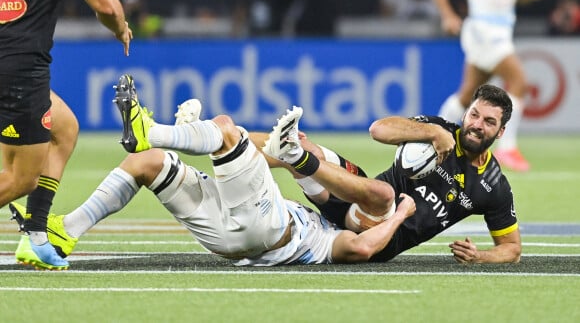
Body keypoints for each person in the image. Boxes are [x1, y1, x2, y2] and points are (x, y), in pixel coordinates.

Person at [11, 74, 416, 267]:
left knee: (224, 128)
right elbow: (272, 156)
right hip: (229, 238)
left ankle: (151, 130)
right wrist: (291, 153)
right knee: (145, 164)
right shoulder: (326, 233)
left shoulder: (338, 240)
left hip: (266, 230)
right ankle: (66, 232)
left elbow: (366, 246)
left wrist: (401, 214)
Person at [262, 83, 522, 263]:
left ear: (501, 132)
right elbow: (379, 129)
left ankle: (299, 162)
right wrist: (431, 132)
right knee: (300, 146)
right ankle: (232, 148)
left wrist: (480, 256)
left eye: (489, 122)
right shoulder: (440, 129)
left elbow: (512, 248)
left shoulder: (493, 184)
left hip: (380, 234)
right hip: (358, 194)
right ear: (466, 113)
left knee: (382, 194)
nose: (476, 125)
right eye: (474, 115)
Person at [0, 0, 132, 270]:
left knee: (65, 128)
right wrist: (120, 27)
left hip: (12, 65)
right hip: (18, 70)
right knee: (20, 179)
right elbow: (106, 6)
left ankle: (36, 235)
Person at [427, 0, 546, 172]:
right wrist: (448, 15)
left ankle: (434, 134)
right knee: (519, 82)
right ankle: (507, 149)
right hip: (483, 31)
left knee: (467, 95)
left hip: (502, 32)